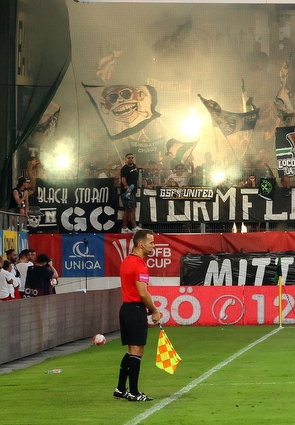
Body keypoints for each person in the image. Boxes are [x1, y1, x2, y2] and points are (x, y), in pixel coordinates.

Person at [114, 229, 161, 402]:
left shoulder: (126, 261)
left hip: (126, 309)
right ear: (141, 244)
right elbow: (142, 293)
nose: (153, 246)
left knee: (131, 351)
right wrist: (154, 310)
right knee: (136, 351)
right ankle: (133, 392)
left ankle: (120, 388)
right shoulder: (140, 265)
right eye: (151, 242)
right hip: (135, 310)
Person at [120, 153, 141, 233]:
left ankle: (126, 228)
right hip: (127, 193)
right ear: (126, 159)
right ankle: (130, 227)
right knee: (128, 210)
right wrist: (126, 186)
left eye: (132, 157)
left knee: (131, 209)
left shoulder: (135, 167)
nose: (131, 159)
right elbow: (123, 179)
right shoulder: (124, 169)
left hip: (133, 192)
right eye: (129, 158)